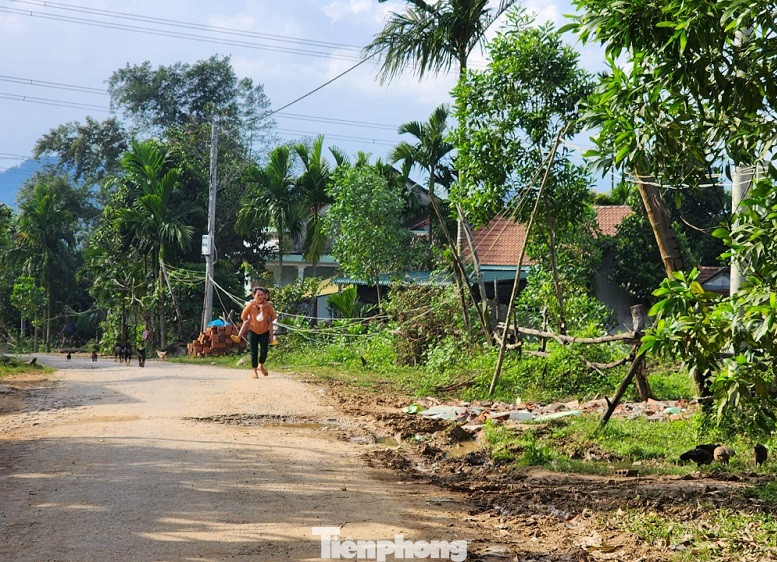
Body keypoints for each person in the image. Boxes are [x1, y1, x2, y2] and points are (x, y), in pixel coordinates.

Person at [240, 287, 277, 379]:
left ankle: (261, 365)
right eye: (258, 295)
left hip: (264, 331)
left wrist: (269, 320)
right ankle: (254, 371)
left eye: (262, 294)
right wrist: (248, 322)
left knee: (264, 350)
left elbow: (273, 316)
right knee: (254, 352)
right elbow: (243, 316)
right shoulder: (250, 305)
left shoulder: (268, 306)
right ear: (254, 295)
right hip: (253, 331)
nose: (261, 297)